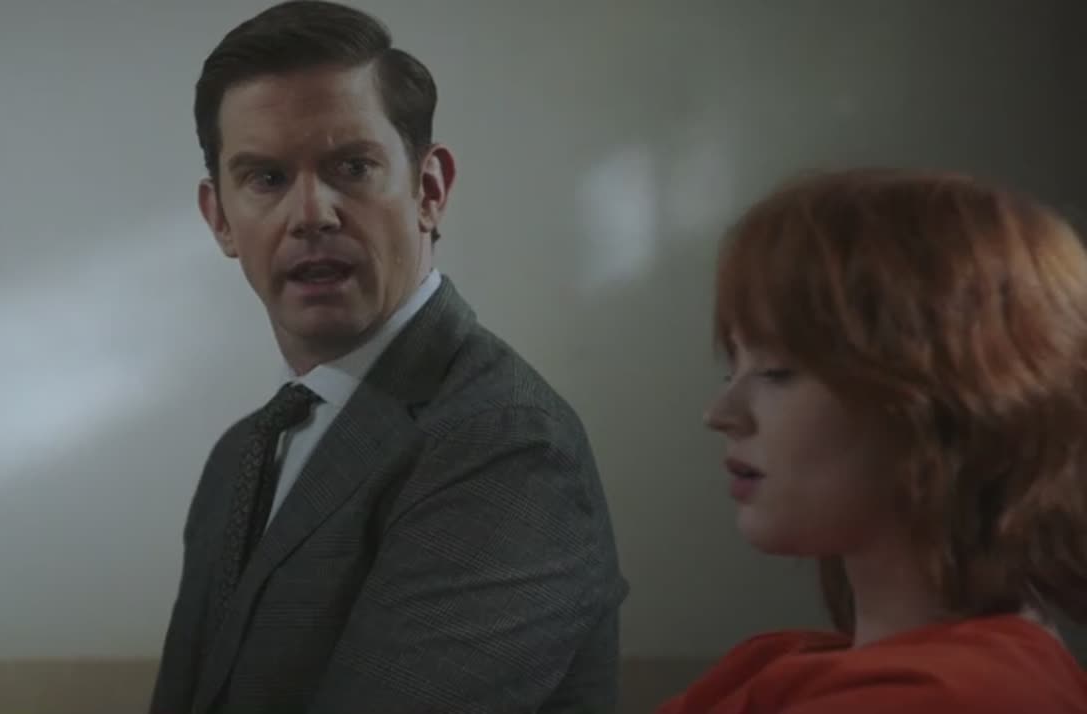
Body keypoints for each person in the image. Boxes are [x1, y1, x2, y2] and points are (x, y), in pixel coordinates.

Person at [149, 2, 628, 713]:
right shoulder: (239, 456)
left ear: (429, 190)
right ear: (219, 217)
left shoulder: (506, 443)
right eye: (266, 178)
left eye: (352, 167)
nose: (311, 214)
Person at [659, 167, 1087, 713]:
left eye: (776, 371)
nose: (720, 415)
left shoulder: (946, 697)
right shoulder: (776, 662)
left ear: (944, 403)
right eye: (732, 367)